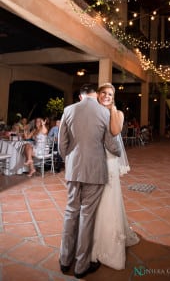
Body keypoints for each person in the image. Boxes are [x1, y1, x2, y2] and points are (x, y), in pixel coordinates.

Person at [58, 84, 121, 279]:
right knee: (87, 216)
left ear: (80, 96)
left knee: (70, 212)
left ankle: (64, 260)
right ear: (95, 95)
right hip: (95, 171)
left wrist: (70, 160)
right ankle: (81, 266)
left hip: (74, 169)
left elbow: (62, 144)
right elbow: (112, 145)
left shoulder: (68, 110)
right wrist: (119, 152)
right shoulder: (104, 112)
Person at [91, 83, 140, 270]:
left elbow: (115, 131)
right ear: (98, 95)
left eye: (110, 94)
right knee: (95, 201)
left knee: (109, 201)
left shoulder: (118, 114)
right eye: (103, 93)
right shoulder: (93, 113)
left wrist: (111, 110)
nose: (106, 96)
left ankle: (109, 245)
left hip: (109, 163)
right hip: (95, 162)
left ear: (113, 97)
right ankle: (94, 239)